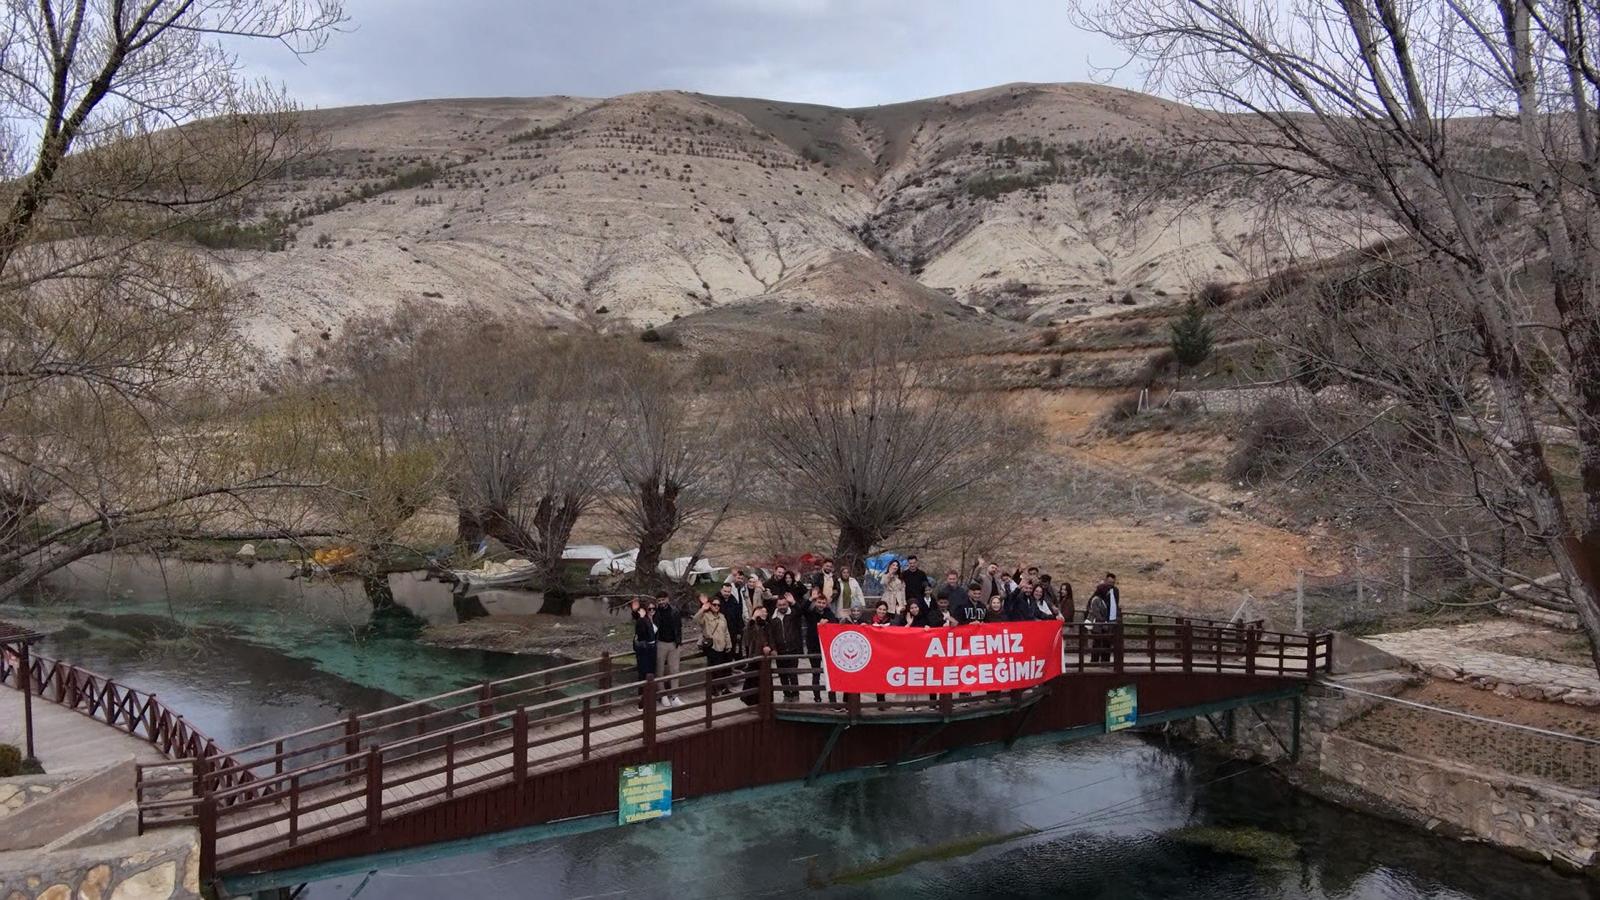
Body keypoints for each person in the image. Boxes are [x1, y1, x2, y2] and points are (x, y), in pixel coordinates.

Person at [801, 587, 841, 702]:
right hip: (813, 646)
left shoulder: (829, 613)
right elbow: (802, 609)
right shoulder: (811, 613)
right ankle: (817, 697)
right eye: (819, 602)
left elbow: (835, 622)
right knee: (816, 673)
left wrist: (827, 621)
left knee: (830, 674)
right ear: (816, 602)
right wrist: (811, 598)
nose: (821, 604)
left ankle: (832, 699)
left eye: (823, 603)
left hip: (826, 647)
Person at [768, 591, 805, 701]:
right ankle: (787, 695)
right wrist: (773, 648)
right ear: (776, 605)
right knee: (782, 674)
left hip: (793, 649)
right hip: (780, 650)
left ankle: (795, 694)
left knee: (793, 674)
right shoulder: (773, 619)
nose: (782, 607)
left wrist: (793, 602)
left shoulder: (792, 614)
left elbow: (801, 611)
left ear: (787, 604)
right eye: (780, 605)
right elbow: (771, 635)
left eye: (784, 604)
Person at [653, 592, 685, 707]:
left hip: (673, 643)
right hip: (660, 643)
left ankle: (675, 695)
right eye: (659, 600)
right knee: (660, 670)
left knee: (674, 670)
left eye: (663, 599)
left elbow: (679, 627)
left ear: (667, 599)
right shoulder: (655, 612)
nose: (661, 602)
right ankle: (663, 695)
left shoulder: (675, 611)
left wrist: (679, 642)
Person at [739, 605, 772, 705]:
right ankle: (752, 702)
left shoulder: (767, 625)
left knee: (766, 681)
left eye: (765, 612)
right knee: (753, 680)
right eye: (761, 612)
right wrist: (753, 618)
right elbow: (747, 634)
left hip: (766, 658)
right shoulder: (753, 626)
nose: (764, 614)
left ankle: (766, 701)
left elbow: (771, 639)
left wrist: (771, 648)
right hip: (755, 657)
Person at [695, 594, 734, 676]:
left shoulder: (722, 616)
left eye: (718, 605)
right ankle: (713, 687)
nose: (716, 606)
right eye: (714, 604)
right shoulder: (705, 616)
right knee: (713, 669)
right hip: (712, 646)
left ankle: (722, 686)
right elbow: (696, 619)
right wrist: (702, 609)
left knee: (722, 668)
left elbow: (726, 631)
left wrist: (728, 645)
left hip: (722, 646)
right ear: (710, 605)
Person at [630, 599, 657, 709]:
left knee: (651, 675)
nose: (651, 611)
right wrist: (639, 615)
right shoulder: (642, 620)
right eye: (649, 609)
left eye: (653, 608)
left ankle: (649, 700)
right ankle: (642, 703)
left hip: (651, 650)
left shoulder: (652, 619)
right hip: (644, 652)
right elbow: (641, 634)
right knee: (643, 676)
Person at [1085, 585, 1113, 664]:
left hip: (1102, 625)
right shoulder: (1096, 600)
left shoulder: (1103, 600)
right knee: (1096, 643)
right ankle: (1094, 660)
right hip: (1097, 625)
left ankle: (1100, 660)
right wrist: (1103, 620)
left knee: (1101, 642)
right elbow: (1096, 612)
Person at [716, 581, 745, 656]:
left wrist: (739, 630)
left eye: (729, 592)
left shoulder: (733, 600)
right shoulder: (716, 601)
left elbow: (739, 616)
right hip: (719, 630)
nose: (727, 593)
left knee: (732, 650)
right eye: (725, 591)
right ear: (721, 590)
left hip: (732, 630)